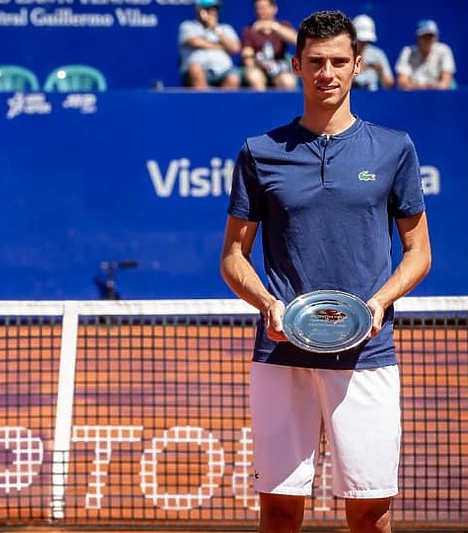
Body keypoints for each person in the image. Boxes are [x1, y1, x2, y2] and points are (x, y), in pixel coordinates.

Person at [220, 10, 431, 533]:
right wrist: (269, 304)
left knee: (371, 510)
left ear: (358, 64)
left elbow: (419, 252)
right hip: (280, 352)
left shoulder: (394, 148)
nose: (327, 73)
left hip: (366, 353)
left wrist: (379, 304)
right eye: (315, 62)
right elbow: (232, 257)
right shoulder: (259, 153)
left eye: (339, 61)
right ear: (296, 65)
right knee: (279, 510)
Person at [178, 0, 241, 90]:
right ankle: (203, 103)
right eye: (208, 9)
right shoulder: (188, 26)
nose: (212, 12)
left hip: (223, 70)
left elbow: (235, 48)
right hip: (199, 69)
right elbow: (195, 42)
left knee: (233, 78)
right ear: (200, 11)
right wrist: (222, 47)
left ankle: (223, 104)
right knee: (195, 70)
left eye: (215, 9)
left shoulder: (226, 29)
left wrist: (215, 29)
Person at [240, 0, 297, 90]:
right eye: (258, 9)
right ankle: (260, 103)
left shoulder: (284, 25)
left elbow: (295, 39)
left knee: (288, 81)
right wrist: (253, 64)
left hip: (280, 70)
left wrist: (274, 26)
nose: (260, 12)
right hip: (259, 69)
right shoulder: (249, 30)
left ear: (274, 9)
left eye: (264, 8)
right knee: (254, 77)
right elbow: (247, 56)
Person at [395, 19, 456, 90]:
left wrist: (433, 87)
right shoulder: (407, 52)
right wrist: (425, 87)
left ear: (436, 38)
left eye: (430, 36)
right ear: (417, 38)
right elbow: (402, 83)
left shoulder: (444, 50)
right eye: (424, 36)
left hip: (439, 96)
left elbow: (445, 83)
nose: (427, 40)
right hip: (413, 96)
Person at [352, 14, 394, 90]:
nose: (363, 44)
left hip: (374, 99)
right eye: (360, 40)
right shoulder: (344, 54)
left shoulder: (378, 54)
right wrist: (359, 70)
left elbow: (389, 84)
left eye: (366, 41)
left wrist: (381, 71)